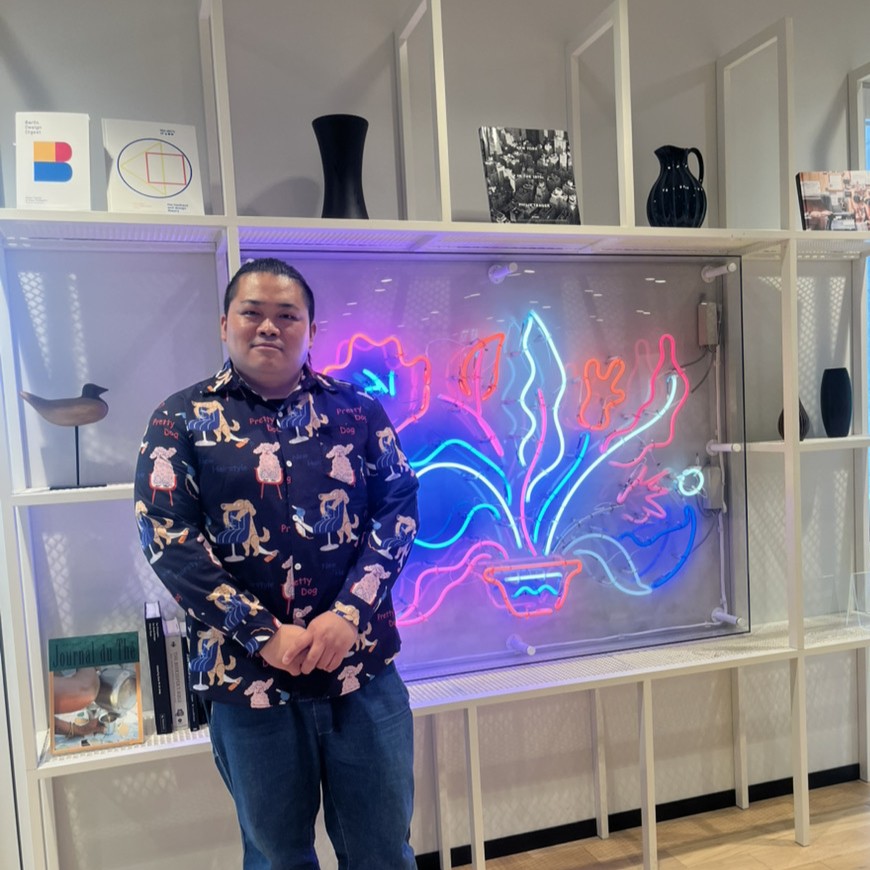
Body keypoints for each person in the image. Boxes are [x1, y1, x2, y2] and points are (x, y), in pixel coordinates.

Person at [134, 258, 419, 869]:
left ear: (312, 330)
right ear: (224, 324)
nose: (269, 327)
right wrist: (262, 632)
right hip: (248, 684)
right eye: (252, 313)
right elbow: (168, 538)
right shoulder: (179, 420)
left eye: (287, 315)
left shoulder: (358, 412)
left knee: (383, 853)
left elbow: (397, 511)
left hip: (361, 671)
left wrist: (348, 614)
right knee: (275, 858)